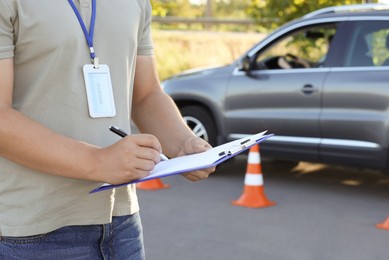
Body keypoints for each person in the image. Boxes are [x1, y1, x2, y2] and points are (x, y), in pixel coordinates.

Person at [0, 0, 215, 259]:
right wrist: (97, 161)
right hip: (29, 230)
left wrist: (182, 143)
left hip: (122, 224)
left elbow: (146, 94)